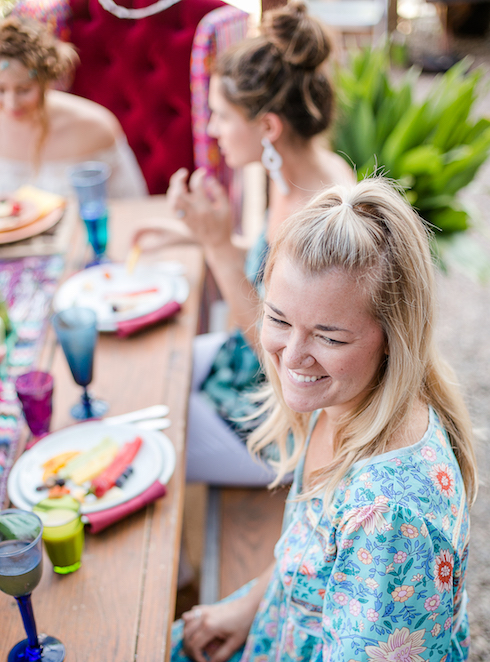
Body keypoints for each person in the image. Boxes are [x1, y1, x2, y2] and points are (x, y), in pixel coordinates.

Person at [163, 177, 479, 662]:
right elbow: (309, 542)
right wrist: (248, 606)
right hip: (292, 644)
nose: (291, 356)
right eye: (278, 319)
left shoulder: (392, 520)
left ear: (393, 338)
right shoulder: (341, 397)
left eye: (329, 336)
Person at [134, 2, 354, 486]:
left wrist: (216, 247)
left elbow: (281, 347)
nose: (212, 129)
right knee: (141, 374)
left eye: (221, 115)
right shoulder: (292, 170)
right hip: (241, 366)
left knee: (147, 442)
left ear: (268, 127)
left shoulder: (318, 213)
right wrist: (195, 231)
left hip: (278, 414)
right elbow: (267, 271)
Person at [0, 16, 147, 197]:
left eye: (24, 90)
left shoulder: (94, 127)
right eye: (0, 90)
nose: (11, 103)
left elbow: (132, 201)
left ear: (46, 82)